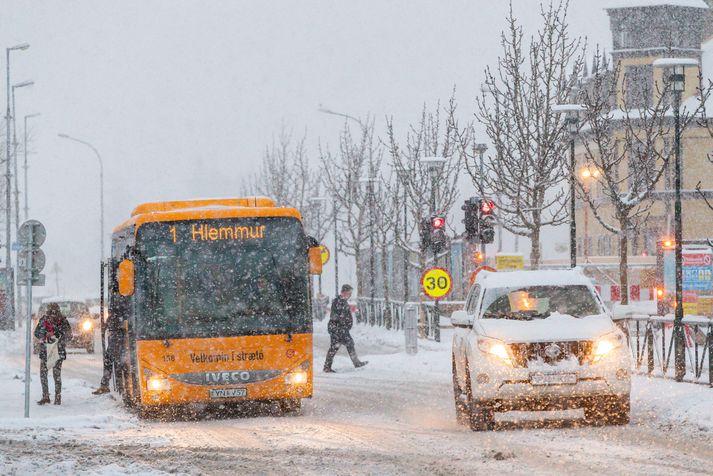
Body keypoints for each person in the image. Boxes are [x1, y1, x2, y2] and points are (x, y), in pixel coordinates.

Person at [323, 284, 368, 373]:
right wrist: (342, 320)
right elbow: (334, 316)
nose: (350, 295)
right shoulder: (338, 301)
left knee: (345, 344)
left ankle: (355, 362)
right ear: (344, 292)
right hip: (337, 329)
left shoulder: (343, 301)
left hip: (341, 328)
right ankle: (327, 367)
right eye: (349, 293)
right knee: (337, 346)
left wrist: (346, 323)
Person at [34, 303, 72, 405]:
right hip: (46, 351)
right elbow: (36, 333)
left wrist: (56, 335)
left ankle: (56, 397)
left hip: (57, 351)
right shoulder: (44, 320)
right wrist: (46, 335)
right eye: (51, 313)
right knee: (46, 374)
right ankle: (47, 396)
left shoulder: (62, 321)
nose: (53, 316)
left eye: (55, 313)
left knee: (55, 374)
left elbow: (69, 335)